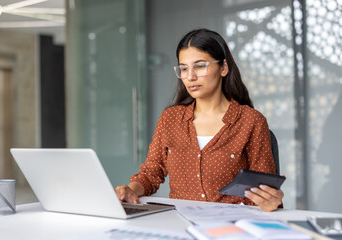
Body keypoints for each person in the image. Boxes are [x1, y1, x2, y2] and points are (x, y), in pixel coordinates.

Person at [115, 28, 284, 212]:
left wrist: (270, 201)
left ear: (224, 68)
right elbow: (150, 174)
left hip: (233, 225)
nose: (190, 77)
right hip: (181, 223)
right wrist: (129, 190)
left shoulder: (250, 121)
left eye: (200, 66)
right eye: (184, 68)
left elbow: (265, 191)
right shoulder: (170, 119)